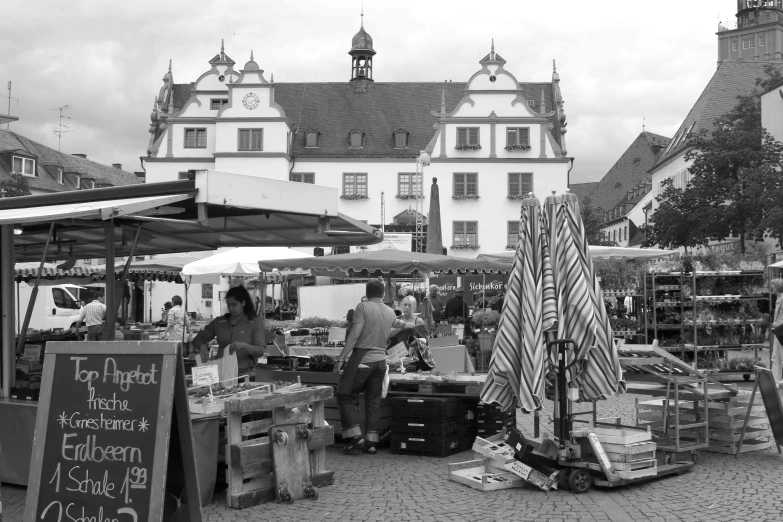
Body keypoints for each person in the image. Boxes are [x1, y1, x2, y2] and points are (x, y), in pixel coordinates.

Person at [334, 279, 407, 455]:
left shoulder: (362, 307)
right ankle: (371, 443)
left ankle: (354, 436)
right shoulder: (390, 311)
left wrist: (341, 358)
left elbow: (355, 334)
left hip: (362, 360)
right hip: (381, 362)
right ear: (383, 294)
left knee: (344, 394)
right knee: (373, 401)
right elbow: (390, 330)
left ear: (367, 293)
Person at [192, 285, 266, 380]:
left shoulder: (253, 322)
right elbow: (197, 340)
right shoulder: (219, 322)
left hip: (244, 374)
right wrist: (202, 346)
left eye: (234, 305)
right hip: (221, 374)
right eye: (228, 305)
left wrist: (244, 346)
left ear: (243, 303)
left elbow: (260, 350)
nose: (230, 308)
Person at [769, 278, 783, 388]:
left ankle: (777, 380)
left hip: (781, 331)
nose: (771, 288)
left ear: (778, 287)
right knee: (776, 355)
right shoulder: (778, 298)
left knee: (780, 356)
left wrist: (777, 324)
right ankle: (775, 380)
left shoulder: (782, 298)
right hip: (778, 331)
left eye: (773, 286)